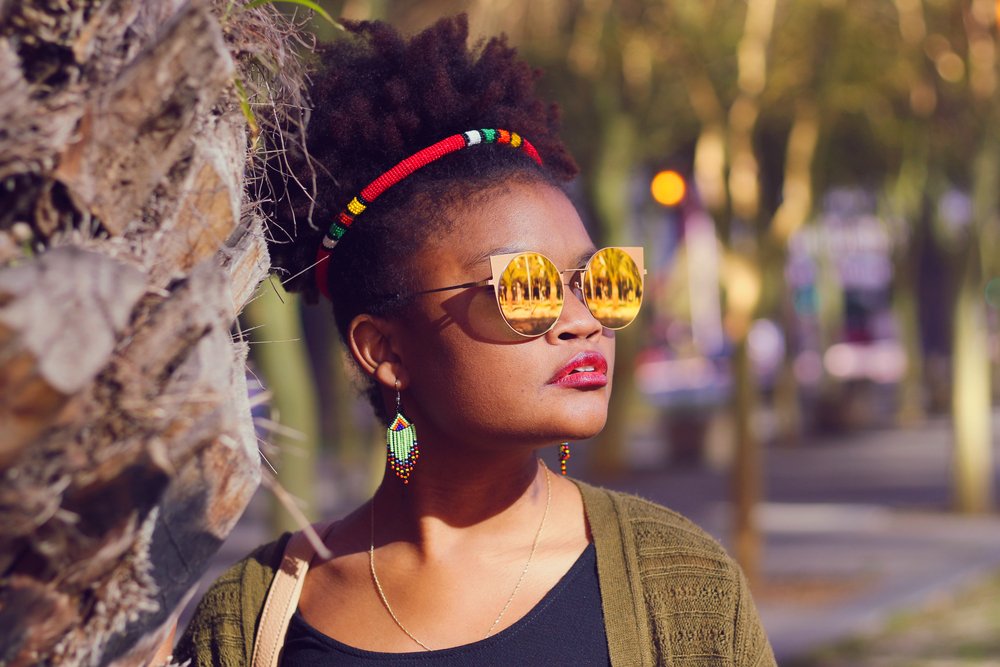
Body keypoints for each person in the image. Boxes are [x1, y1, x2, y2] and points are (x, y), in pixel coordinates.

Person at [174, 15, 776, 667]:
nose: (583, 320)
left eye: (602, 279)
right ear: (385, 351)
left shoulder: (683, 585)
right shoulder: (255, 616)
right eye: (526, 287)